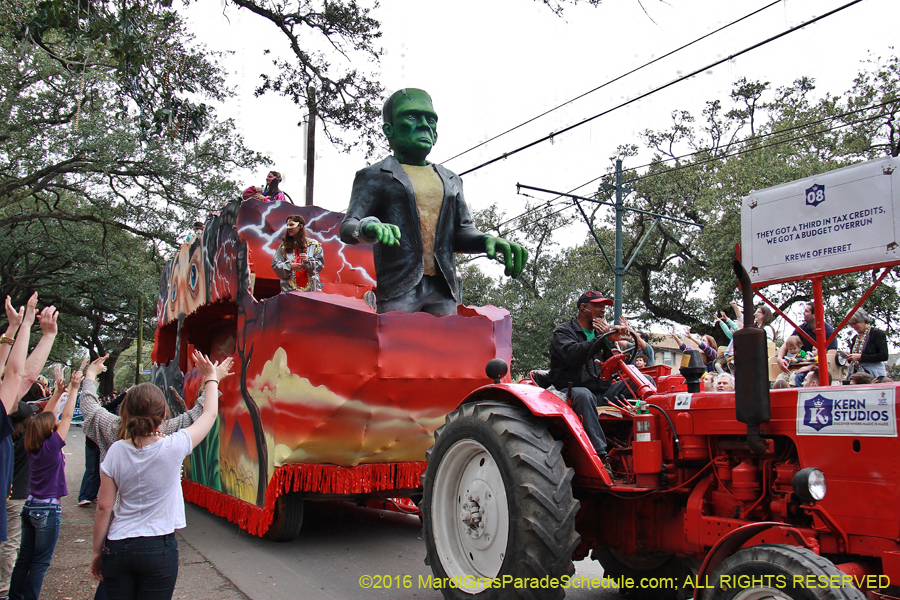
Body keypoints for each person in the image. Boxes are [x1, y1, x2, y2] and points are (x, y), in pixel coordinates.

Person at [340, 88, 527, 316]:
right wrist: (368, 227)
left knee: (445, 348)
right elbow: (349, 226)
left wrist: (486, 239)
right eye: (411, 117)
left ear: (436, 134)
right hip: (399, 287)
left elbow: (461, 231)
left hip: (443, 288)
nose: (423, 125)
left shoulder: (451, 180)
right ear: (389, 130)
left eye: (430, 119)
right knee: (396, 348)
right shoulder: (374, 175)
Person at [90, 350, 230, 598]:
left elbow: (104, 506)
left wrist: (97, 551)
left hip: (119, 543)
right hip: (159, 547)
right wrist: (211, 378)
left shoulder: (116, 451)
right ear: (164, 414)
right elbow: (208, 414)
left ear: (125, 412)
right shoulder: (173, 445)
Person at [8, 358, 84, 600]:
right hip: (47, 509)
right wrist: (73, 389)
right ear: (51, 430)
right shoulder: (52, 446)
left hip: (30, 505)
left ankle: (15, 596)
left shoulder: (31, 441)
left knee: (25, 558)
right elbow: (67, 415)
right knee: (40, 562)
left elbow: (47, 416)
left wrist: (60, 392)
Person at [548, 291, 627, 475]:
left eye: (604, 307)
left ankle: (634, 445)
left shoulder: (601, 335)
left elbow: (614, 366)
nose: (603, 311)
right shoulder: (563, 331)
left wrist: (614, 341)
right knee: (584, 394)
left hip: (601, 392)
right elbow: (572, 355)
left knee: (641, 382)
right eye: (598, 306)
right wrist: (602, 339)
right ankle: (601, 456)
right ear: (583, 307)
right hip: (570, 391)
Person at [0, 401, 39, 598]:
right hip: (17, 497)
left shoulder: (5, 439)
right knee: (10, 544)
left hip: (3, 492)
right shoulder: (27, 440)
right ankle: (3, 588)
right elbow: (52, 415)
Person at [776, 302, 838, 383]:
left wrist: (810, 367)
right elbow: (787, 344)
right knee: (780, 379)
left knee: (796, 377)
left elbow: (831, 356)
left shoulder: (828, 331)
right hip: (801, 364)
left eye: (806, 311)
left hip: (819, 369)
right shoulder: (803, 328)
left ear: (815, 315)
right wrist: (779, 359)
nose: (803, 313)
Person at [271, 215, 324, 293]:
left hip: (311, 293)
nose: (289, 228)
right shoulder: (283, 247)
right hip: (289, 292)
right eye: (287, 225)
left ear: (300, 226)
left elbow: (319, 266)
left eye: (292, 225)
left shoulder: (314, 245)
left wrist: (307, 261)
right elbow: (275, 265)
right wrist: (290, 266)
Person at [846, 308, 888, 379]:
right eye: (851, 324)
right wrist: (848, 356)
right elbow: (853, 362)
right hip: (857, 375)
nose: (853, 326)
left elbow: (883, 356)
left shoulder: (877, 334)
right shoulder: (855, 338)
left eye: (855, 323)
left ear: (863, 320)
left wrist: (860, 357)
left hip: (874, 374)